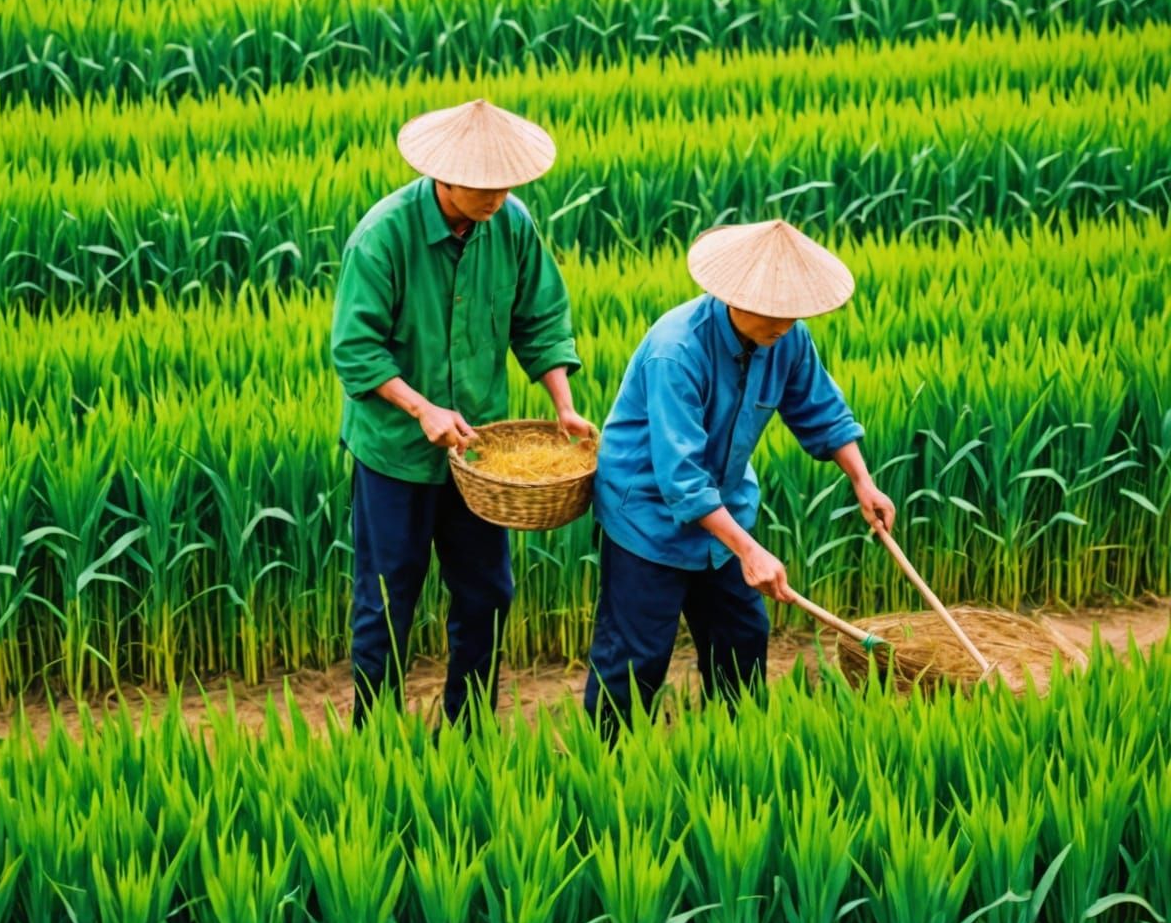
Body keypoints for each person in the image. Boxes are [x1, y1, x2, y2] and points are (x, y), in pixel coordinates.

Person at [332, 98, 594, 726]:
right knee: (386, 600)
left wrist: (563, 404)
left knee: (489, 594)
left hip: (480, 455)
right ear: (441, 177)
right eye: (482, 187)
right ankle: (377, 734)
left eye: (505, 184)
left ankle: (468, 726)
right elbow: (355, 349)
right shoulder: (383, 235)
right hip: (395, 453)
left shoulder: (512, 225)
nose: (496, 197)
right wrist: (421, 408)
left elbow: (539, 318)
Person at [583, 218, 895, 739]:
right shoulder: (676, 349)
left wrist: (863, 481)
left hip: (725, 513)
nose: (784, 321)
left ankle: (737, 751)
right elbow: (681, 478)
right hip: (648, 519)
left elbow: (821, 410)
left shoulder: (787, 339)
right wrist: (750, 551)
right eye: (774, 311)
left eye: (792, 311)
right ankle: (602, 766)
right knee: (636, 656)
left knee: (742, 637)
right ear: (731, 295)